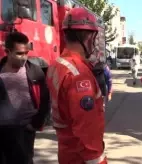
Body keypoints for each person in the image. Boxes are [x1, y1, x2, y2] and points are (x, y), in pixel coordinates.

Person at [46, 8, 107, 164]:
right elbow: (87, 130)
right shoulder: (78, 74)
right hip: (80, 156)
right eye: (94, 37)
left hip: (66, 151)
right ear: (87, 37)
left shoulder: (57, 65)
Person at [0, 32, 50, 164]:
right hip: (3, 130)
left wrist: (35, 124)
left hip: (25, 130)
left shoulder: (35, 71)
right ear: (7, 52)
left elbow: (45, 100)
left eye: (26, 53)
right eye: (19, 53)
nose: (24, 58)